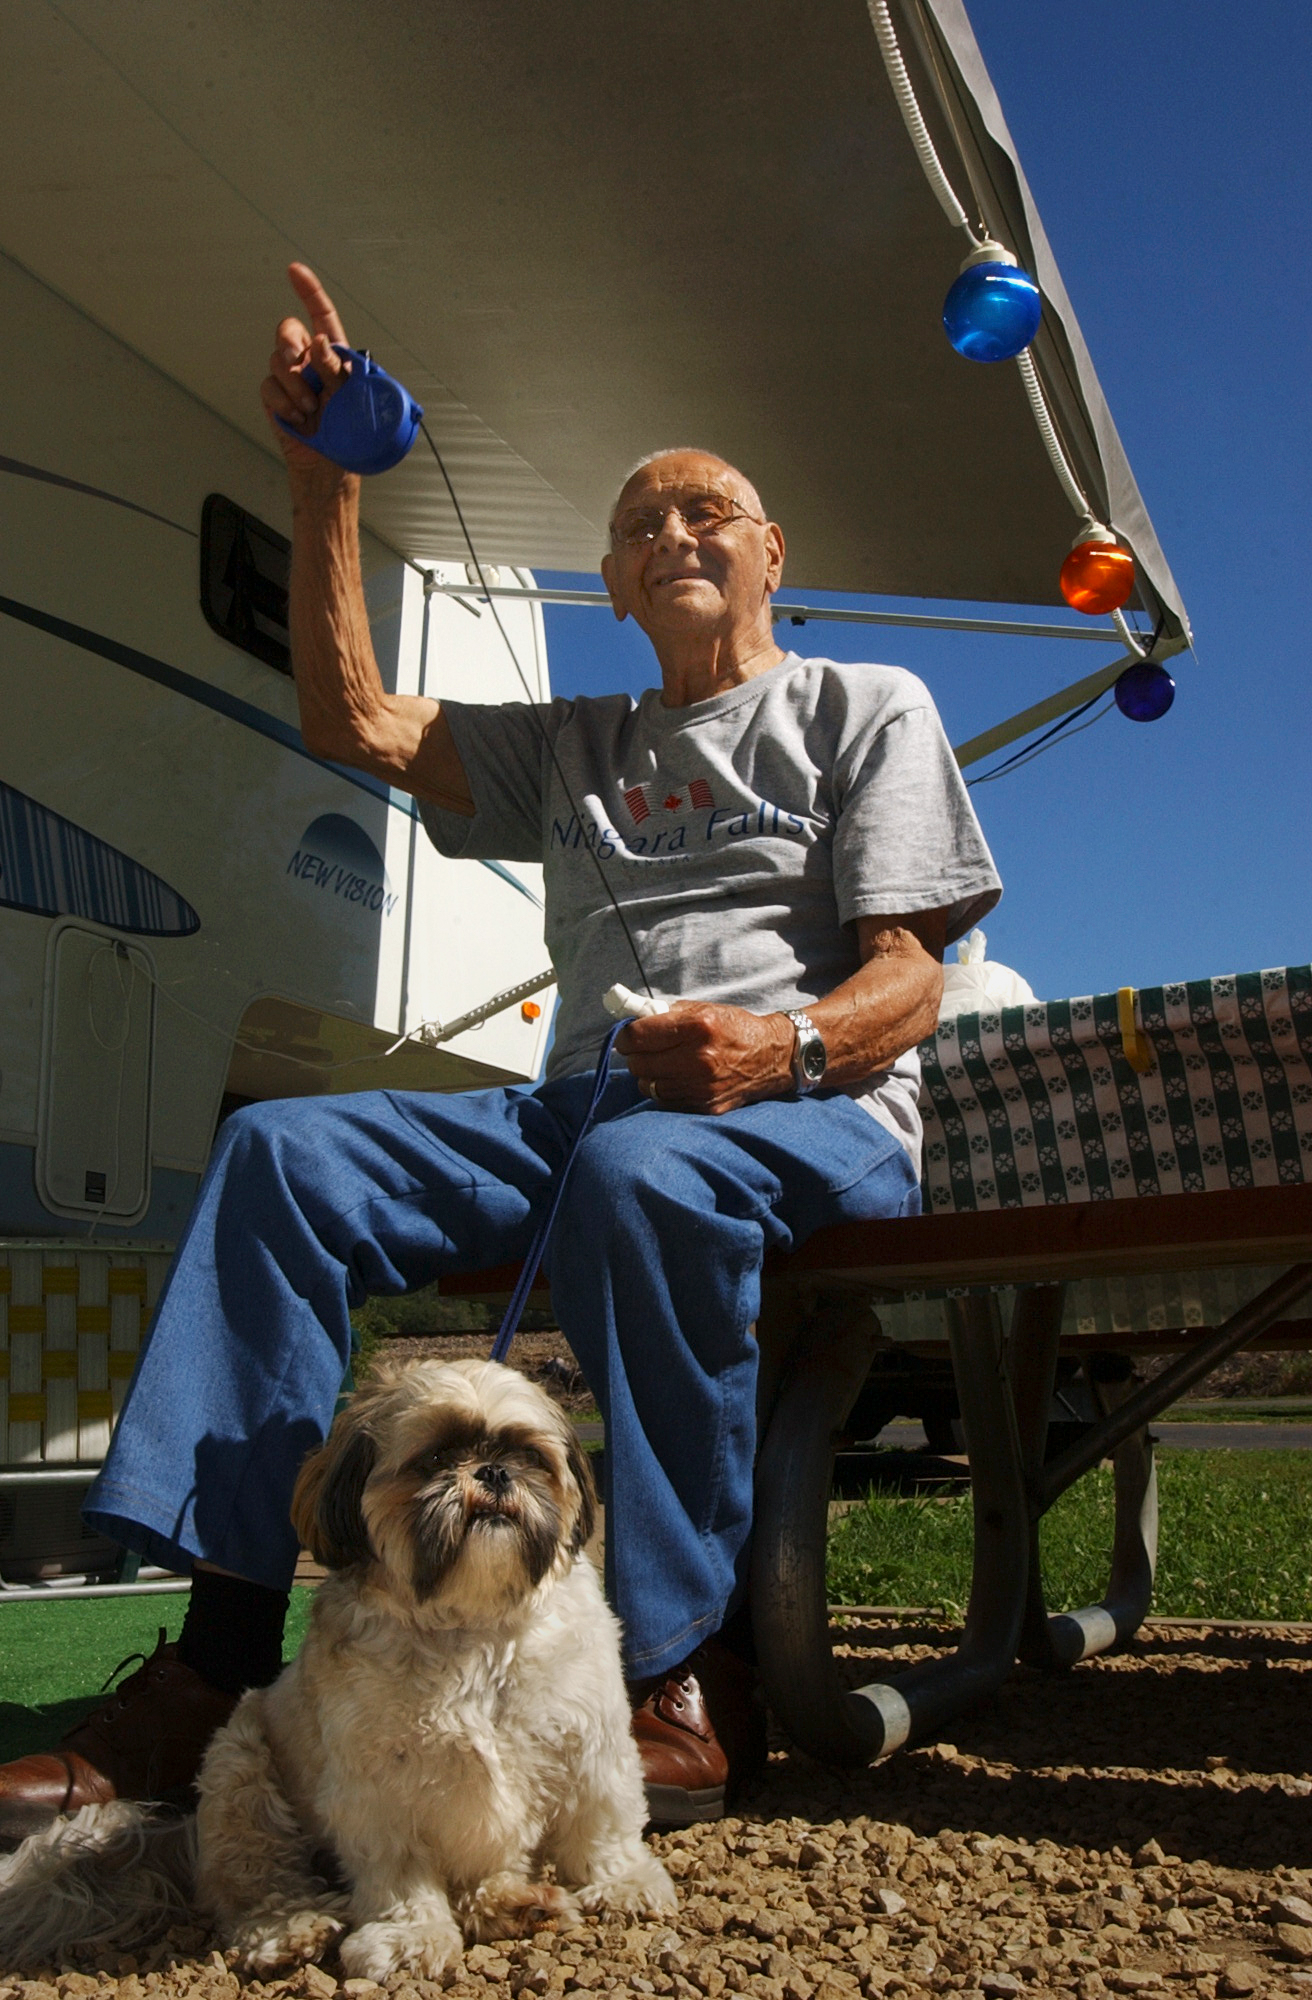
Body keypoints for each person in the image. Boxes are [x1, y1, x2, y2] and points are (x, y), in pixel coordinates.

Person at [0, 265, 1000, 1838]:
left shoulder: (864, 706)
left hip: (815, 1111)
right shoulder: (576, 743)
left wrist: (772, 1045)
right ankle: (214, 1663)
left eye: (710, 511)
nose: (676, 531)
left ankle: (683, 1670)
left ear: (772, 554)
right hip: (586, 1117)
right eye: (640, 523)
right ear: (605, 583)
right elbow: (350, 721)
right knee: (285, 1152)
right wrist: (321, 480)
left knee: (646, 1170)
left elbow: (911, 983)